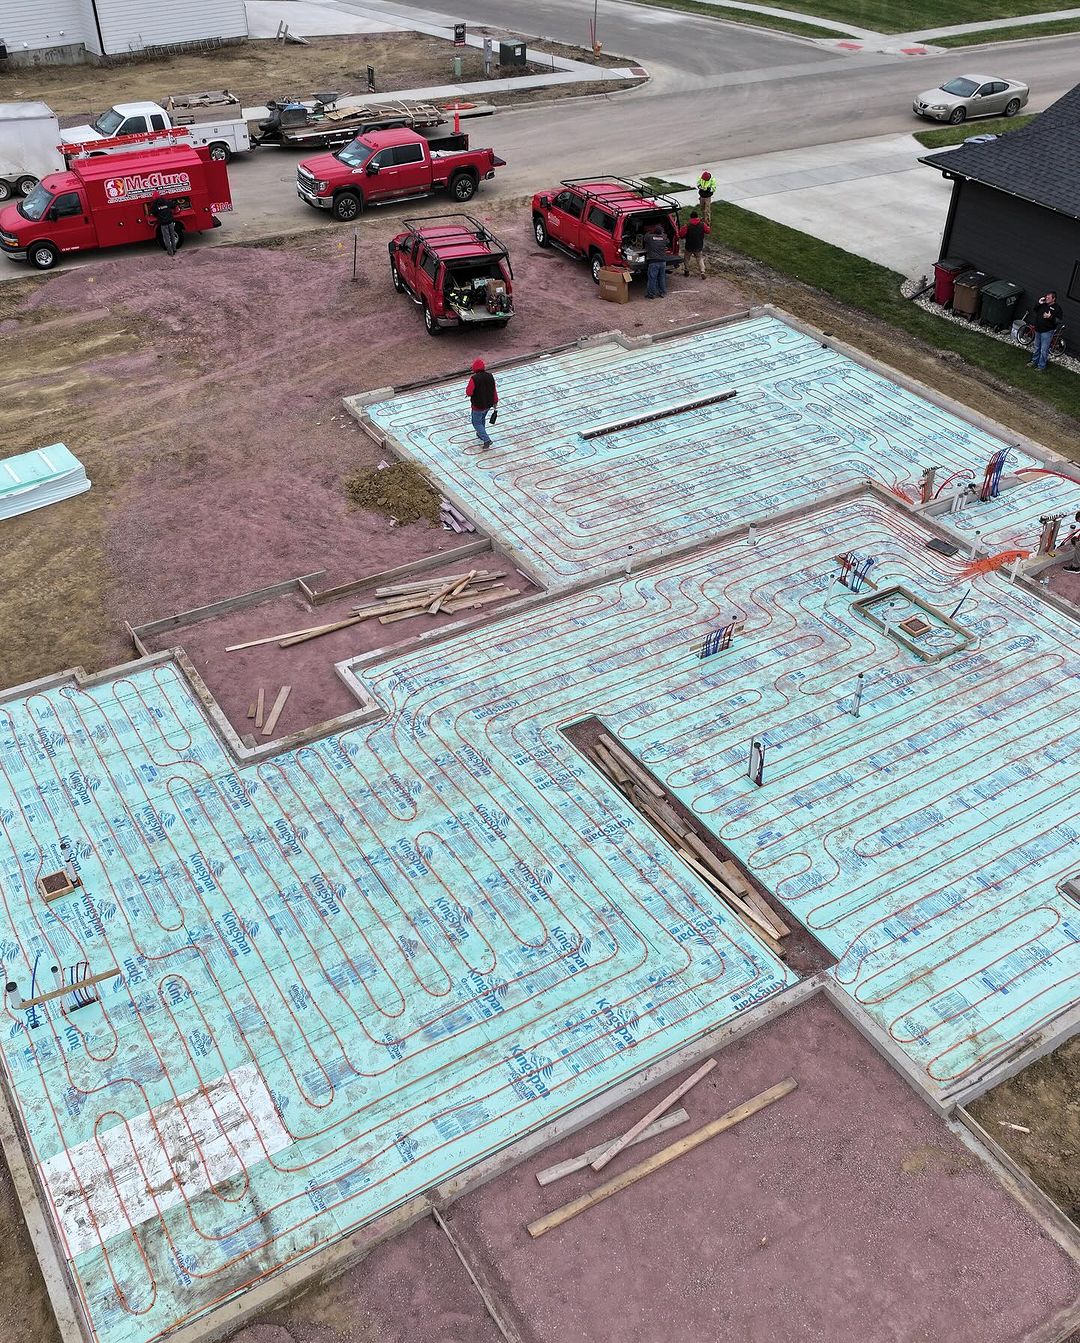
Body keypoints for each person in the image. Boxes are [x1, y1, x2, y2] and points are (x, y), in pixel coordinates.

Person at [466, 357, 498, 448]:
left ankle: (486, 439)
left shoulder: (474, 378)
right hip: (488, 404)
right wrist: (495, 401)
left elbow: (469, 392)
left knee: (476, 423)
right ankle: (481, 434)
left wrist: (468, 393)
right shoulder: (490, 376)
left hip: (478, 405)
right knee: (482, 419)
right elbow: (494, 390)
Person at [1029, 290, 1062, 371]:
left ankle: (1041, 366)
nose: (1046, 298)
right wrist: (1038, 303)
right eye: (1046, 297)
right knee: (1036, 347)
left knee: (1044, 350)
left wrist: (1050, 317)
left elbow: (1058, 321)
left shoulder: (1057, 308)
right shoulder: (1043, 304)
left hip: (1047, 331)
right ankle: (1034, 361)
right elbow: (1035, 309)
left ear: (1053, 299)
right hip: (1038, 329)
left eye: (1048, 298)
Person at [678, 209, 710, 278]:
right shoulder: (702, 224)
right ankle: (702, 271)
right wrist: (708, 225)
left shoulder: (687, 226)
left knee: (686, 258)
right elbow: (708, 231)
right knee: (699, 258)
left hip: (689, 246)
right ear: (697, 216)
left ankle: (686, 271)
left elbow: (680, 234)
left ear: (690, 217)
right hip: (699, 245)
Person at [149, 191, 180, 257]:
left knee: (166, 238)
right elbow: (173, 205)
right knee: (172, 235)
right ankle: (174, 249)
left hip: (163, 223)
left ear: (154, 197)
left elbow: (153, 212)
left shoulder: (155, 205)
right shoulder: (166, 201)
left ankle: (170, 252)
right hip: (170, 221)